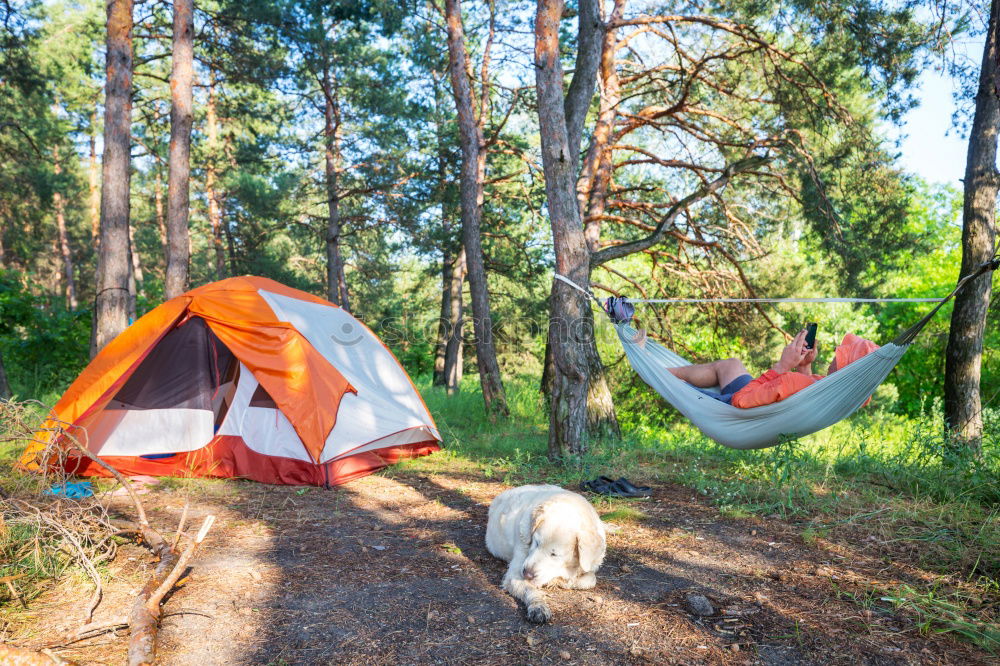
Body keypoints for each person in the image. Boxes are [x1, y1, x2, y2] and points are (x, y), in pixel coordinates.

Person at [632, 328, 879, 408]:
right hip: (767, 398)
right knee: (731, 365)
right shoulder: (829, 390)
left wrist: (782, 365)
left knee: (682, 389)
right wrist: (805, 365)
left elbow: (740, 400)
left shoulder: (793, 382)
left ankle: (652, 371)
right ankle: (665, 370)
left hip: (733, 409)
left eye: (841, 353)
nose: (836, 351)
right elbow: (803, 392)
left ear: (844, 366)